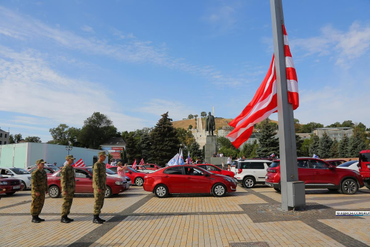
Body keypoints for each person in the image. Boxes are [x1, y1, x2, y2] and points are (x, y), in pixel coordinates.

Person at [30, 159, 48, 223]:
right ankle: (34, 217)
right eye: (42, 163)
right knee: (35, 204)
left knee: (41, 203)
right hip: (37, 191)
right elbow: (33, 183)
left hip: (42, 191)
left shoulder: (44, 172)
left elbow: (45, 181)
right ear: (38, 164)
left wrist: (46, 189)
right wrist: (36, 191)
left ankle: (37, 216)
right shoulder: (35, 173)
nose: (43, 165)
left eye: (43, 164)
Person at [93, 151, 107, 224]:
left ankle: (98, 216)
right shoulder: (97, 165)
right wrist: (98, 187)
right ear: (100, 156)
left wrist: (104, 186)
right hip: (98, 187)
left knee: (101, 202)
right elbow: (96, 177)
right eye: (104, 156)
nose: (105, 157)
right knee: (97, 202)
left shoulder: (103, 165)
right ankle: (95, 217)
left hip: (102, 186)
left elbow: (104, 176)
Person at [60, 155, 76, 223]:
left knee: (69, 203)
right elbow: (63, 180)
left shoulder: (71, 168)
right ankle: (63, 217)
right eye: (71, 159)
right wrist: (64, 190)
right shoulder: (65, 168)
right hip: (67, 189)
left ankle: (66, 216)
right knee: (65, 203)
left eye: (73, 159)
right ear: (68, 160)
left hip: (71, 189)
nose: (73, 160)